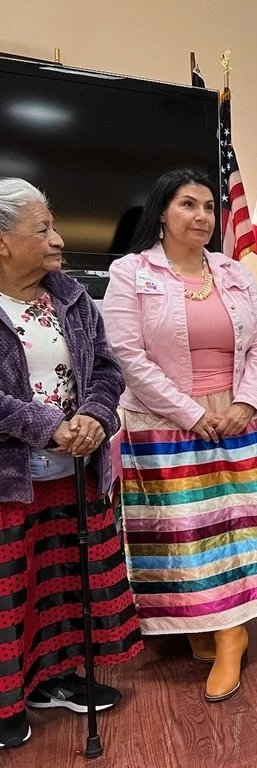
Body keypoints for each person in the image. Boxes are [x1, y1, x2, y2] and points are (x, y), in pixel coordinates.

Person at [103, 169, 257, 703]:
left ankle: (232, 634)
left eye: (209, 206)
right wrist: (189, 412)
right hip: (165, 426)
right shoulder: (131, 272)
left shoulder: (232, 271)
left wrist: (245, 403)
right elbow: (129, 357)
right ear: (161, 212)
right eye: (188, 205)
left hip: (236, 420)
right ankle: (202, 623)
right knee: (187, 535)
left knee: (239, 531)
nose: (203, 216)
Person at [0, 178, 142, 749]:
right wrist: (48, 427)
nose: (59, 239)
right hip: (11, 481)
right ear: (3, 240)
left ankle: (52, 678)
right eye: (43, 229)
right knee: (9, 590)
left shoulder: (72, 297)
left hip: (73, 473)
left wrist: (93, 417)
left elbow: (107, 369)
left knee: (62, 582)